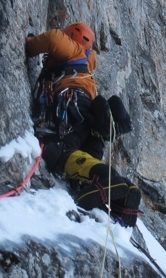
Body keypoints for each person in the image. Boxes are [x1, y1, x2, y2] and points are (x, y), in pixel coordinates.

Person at [26, 22, 141, 226]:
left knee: (61, 152)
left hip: (72, 109)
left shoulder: (75, 50)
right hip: (87, 118)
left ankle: (108, 179)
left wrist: (31, 44)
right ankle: (124, 192)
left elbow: (53, 39)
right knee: (82, 157)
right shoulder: (86, 67)